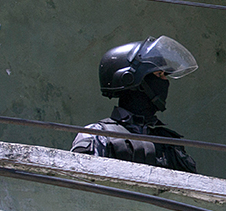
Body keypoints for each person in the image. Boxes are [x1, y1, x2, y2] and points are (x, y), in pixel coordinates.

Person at [71, 35, 198, 172]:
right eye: (158, 75)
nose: (164, 82)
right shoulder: (98, 136)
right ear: (132, 79)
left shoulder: (169, 143)